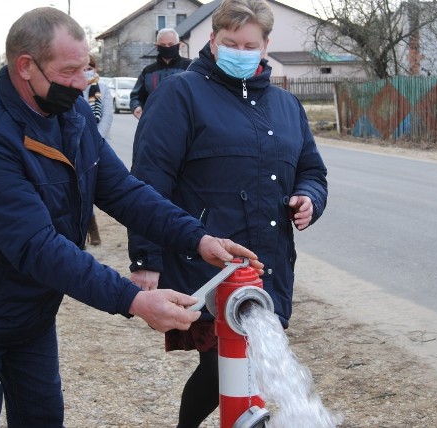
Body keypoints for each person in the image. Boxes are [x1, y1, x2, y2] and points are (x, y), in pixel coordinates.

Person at [0, 7, 263, 427]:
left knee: (43, 417)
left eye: (85, 69)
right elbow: (36, 245)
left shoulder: (70, 115)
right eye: (69, 71)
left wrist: (198, 238)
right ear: (25, 66)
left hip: (31, 309)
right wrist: (133, 300)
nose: (81, 82)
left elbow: (122, 191)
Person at [128, 0, 328, 426]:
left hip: (266, 262)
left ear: (265, 46)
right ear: (212, 41)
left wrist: (310, 197)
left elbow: (312, 170)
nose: (240, 49)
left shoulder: (286, 105)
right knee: (223, 362)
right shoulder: (180, 94)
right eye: (230, 42)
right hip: (203, 259)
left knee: (242, 362)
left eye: (249, 43)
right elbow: (148, 179)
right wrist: (145, 257)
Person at [129, 28, 192, 120]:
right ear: (157, 46)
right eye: (163, 45)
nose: (167, 47)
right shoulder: (148, 71)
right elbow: (136, 96)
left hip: (185, 123)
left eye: (170, 44)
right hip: (154, 123)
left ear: (179, 45)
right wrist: (136, 107)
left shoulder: (190, 68)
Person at [83, 54, 113, 246]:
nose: (86, 72)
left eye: (89, 68)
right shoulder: (74, 89)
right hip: (76, 145)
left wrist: (94, 140)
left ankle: (92, 229)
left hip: (98, 144)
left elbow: (107, 116)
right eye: (82, 68)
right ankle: (86, 226)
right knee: (81, 188)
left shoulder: (102, 89)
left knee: (94, 186)